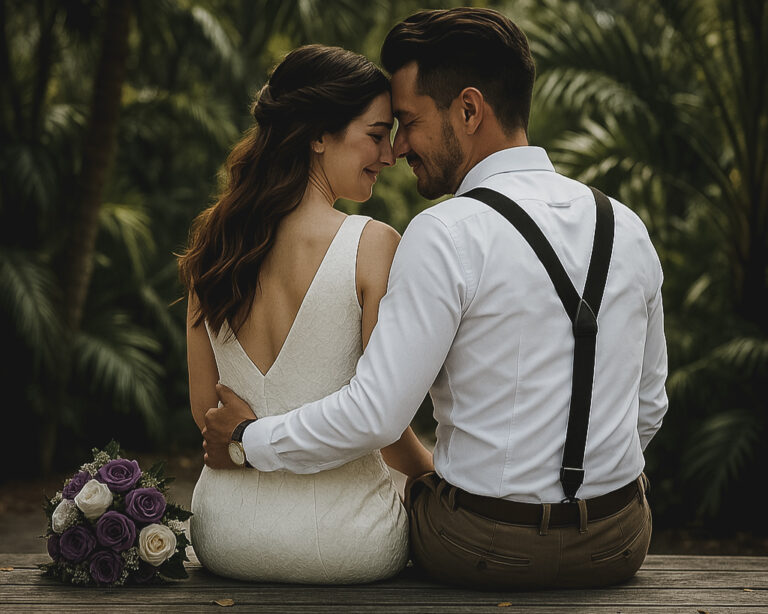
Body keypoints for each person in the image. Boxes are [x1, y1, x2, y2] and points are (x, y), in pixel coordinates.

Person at [204, 8, 668, 590]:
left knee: (401, 499)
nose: (397, 148)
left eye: (406, 121)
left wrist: (250, 440)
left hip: (479, 548)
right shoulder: (625, 225)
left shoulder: (445, 232)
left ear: (469, 110)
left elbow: (377, 414)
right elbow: (648, 408)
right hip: (619, 542)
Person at [179, 44, 433, 583]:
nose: (389, 155)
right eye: (375, 133)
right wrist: (437, 479)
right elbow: (383, 427)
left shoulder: (213, 246)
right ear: (318, 135)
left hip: (224, 535)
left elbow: (209, 414)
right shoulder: (374, 245)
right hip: (349, 544)